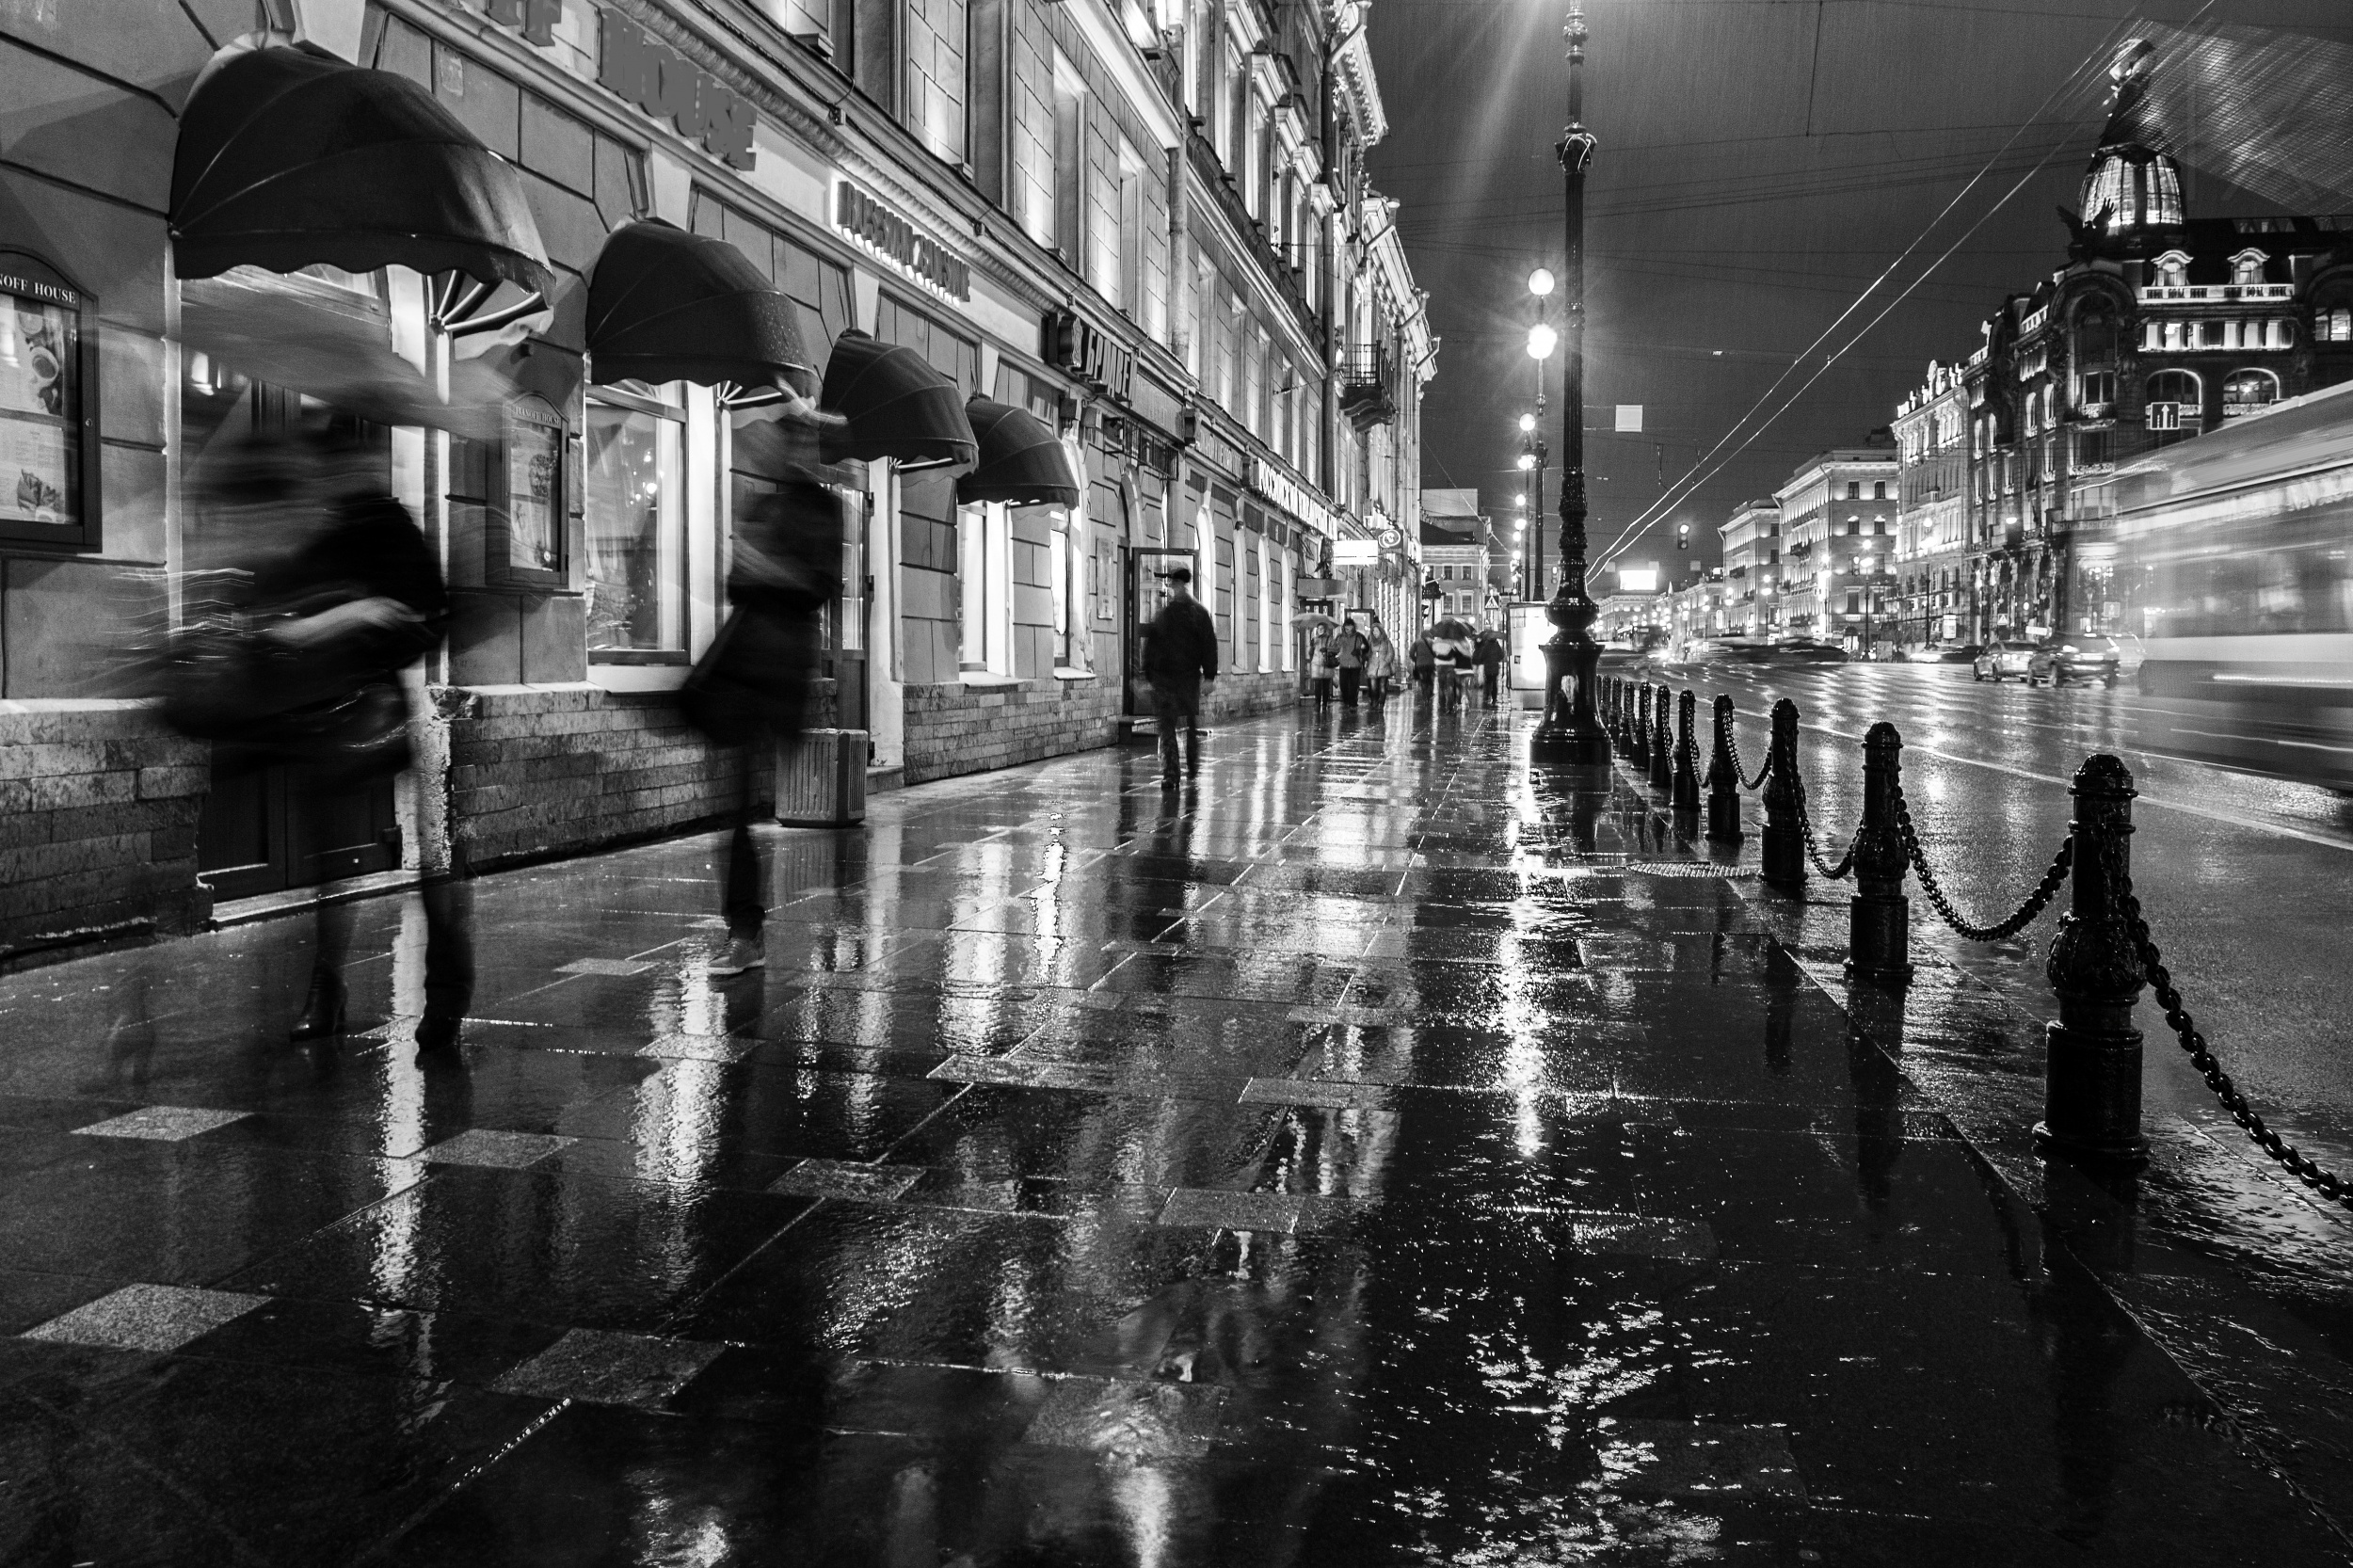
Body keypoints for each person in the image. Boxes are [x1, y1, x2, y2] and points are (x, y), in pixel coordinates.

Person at [187, 428, 472, 1053]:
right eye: (332, 465)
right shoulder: (316, 529)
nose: (339, 475)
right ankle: (327, 989)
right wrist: (348, 615)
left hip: (380, 713)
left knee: (430, 859)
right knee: (328, 865)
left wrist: (367, 625)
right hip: (317, 714)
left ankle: (446, 993)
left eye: (345, 463)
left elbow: (431, 619)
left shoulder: (390, 528)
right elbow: (271, 621)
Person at [684, 394, 844, 977]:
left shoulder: (824, 509)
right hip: (741, 665)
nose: (781, 451)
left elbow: (820, 586)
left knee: (745, 803)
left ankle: (747, 932)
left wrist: (767, 569)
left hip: (778, 671)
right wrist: (748, 566)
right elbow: (735, 583)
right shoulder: (762, 503)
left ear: (806, 449)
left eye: (792, 442)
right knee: (733, 806)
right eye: (779, 441)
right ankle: (744, 933)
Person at [1141, 564, 1218, 784]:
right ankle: (1172, 773)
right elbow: (1153, 647)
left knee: (1188, 726)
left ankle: (1190, 764)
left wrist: (1210, 676)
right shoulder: (1172, 614)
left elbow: (1208, 646)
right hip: (1168, 681)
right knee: (1168, 727)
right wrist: (1148, 676)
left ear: (1182, 584)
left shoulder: (1195, 614)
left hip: (1186, 679)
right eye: (1173, 584)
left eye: (1177, 583)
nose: (1175, 588)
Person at [1334, 619, 1369, 708]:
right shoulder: (1340, 637)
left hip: (1355, 664)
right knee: (1343, 685)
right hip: (1344, 664)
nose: (1348, 630)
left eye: (1350, 627)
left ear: (1353, 627)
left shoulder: (1359, 637)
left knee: (1354, 685)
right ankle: (1346, 701)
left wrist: (1360, 651)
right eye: (1346, 628)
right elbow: (1335, 648)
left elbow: (1367, 648)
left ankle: (1353, 703)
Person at [1366, 622, 1397, 710]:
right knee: (1373, 688)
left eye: (1376, 630)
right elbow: (1367, 654)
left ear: (1381, 631)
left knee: (1382, 687)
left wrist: (1386, 661)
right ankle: (1374, 702)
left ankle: (1381, 704)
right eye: (1373, 631)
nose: (1375, 632)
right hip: (1372, 668)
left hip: (1384, 668)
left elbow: (1391, 653)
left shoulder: (1386, 642)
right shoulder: (1370, 642)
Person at [1474, 628, 1507, 709]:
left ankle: (1487, 696)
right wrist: (1497, 659)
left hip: (1488, 667)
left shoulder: (1486, 646)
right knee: (1494, 682)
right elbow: (1501, 656)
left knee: (1488, 682)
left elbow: (1482, 656)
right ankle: (1494, 698)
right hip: (1495, 667)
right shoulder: (1497, 646)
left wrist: (1484, 660)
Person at [1308, 629, 1337, 711]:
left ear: (1325, 629)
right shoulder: (1314, 639)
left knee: (1326, 686)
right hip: (1317, 665)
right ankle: (1317, 703)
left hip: (1327, 665)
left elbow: (1336, 649)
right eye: (1319, 628)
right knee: (1317, 686)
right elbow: (1310, 653)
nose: (1320, 630)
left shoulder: (1330, 639)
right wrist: (1311, 646)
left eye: (1322, 628)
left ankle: (1324, 703)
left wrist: (1327, 649)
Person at [1409, 632, 1436, 698]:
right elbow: (1436, 653)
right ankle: (1430, 692)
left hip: (1420, 664)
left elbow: (1411, 652)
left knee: (1423, 679)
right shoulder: (1432, 642)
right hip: (1430, 664)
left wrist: (1415, 659)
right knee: (1430, 678)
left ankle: (1424, 693)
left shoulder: (1417, 642)